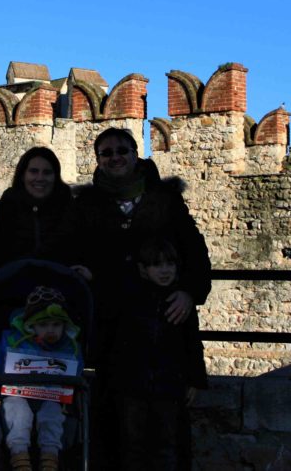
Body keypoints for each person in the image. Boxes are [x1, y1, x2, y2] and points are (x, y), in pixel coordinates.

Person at [70, 127, 211, 466]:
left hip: (162, 329)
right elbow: (74, 251)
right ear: (98, 160)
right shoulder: (86, 205)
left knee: (167, 438)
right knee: (117, 432)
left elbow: (195, 254)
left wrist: (189, 293)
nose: (115, 157)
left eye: (122, 150)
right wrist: (85, 272)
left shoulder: (165, 199)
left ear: (136, 154)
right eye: (106, 153)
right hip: (113, 330)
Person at [109, 238, 206, 470]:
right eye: (157, 265)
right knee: (133, 446)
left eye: (169, 265)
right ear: (143, 269)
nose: (165, 271)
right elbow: (118, 345)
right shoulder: (131, 301)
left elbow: (192, 342)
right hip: (134, 384)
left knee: (166, 445)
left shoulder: (180, 303)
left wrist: (194, 379)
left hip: (168, 385)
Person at [0, 147, 84, 311]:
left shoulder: (72, 213)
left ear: (55, 177)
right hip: (6, 309)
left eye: (47, 172)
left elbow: (86, 250)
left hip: (59, 315)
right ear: (23, 175)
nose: (40, 178)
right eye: (34, 171)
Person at [0, 286, 83, 471]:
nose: (50, 330)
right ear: (31, 325)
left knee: (52, 416)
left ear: (64, 326)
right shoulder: (13, 341)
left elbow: (76, 372)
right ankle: (20, 457)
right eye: (43, 325)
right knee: (16, 413)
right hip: (17, 394)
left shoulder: (71, 347)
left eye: (56, 325)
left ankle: (49, 458)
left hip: (53, 397)